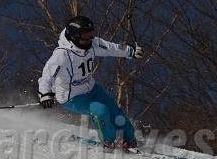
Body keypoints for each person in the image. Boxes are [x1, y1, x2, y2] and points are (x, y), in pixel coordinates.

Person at [38, 16, 143, 149]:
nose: (89, 39)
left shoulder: (92, 44)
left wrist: (131, 51)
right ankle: (108, 141)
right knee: (101, 111)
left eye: (90, 34)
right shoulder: (62, 55)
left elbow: (111, 47)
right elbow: (46, 76)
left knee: (114, 111)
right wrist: (45, 94)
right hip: (72, 96)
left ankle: (130, 139)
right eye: (85, 36)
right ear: (74, 36)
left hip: (92, 89)